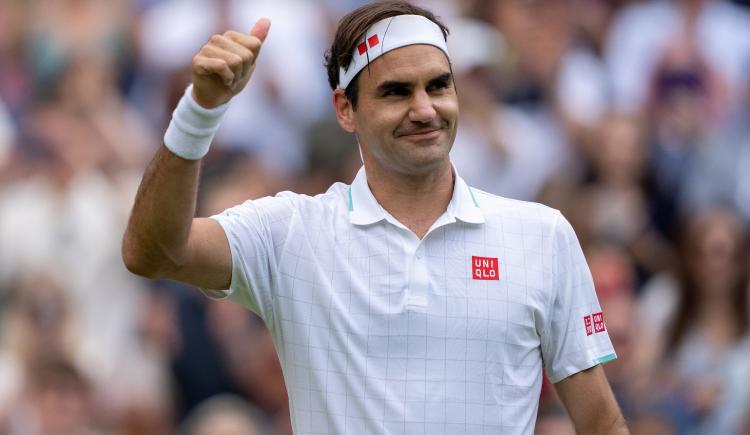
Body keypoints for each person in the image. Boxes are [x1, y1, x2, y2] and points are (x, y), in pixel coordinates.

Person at [122, 2, 629, 433]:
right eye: (396, 91)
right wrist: (200, 112)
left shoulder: (541, 235)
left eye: (438, 86)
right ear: (346, 110)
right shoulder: (290, 233)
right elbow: (152, 252)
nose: (425, 109)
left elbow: (601, 423)